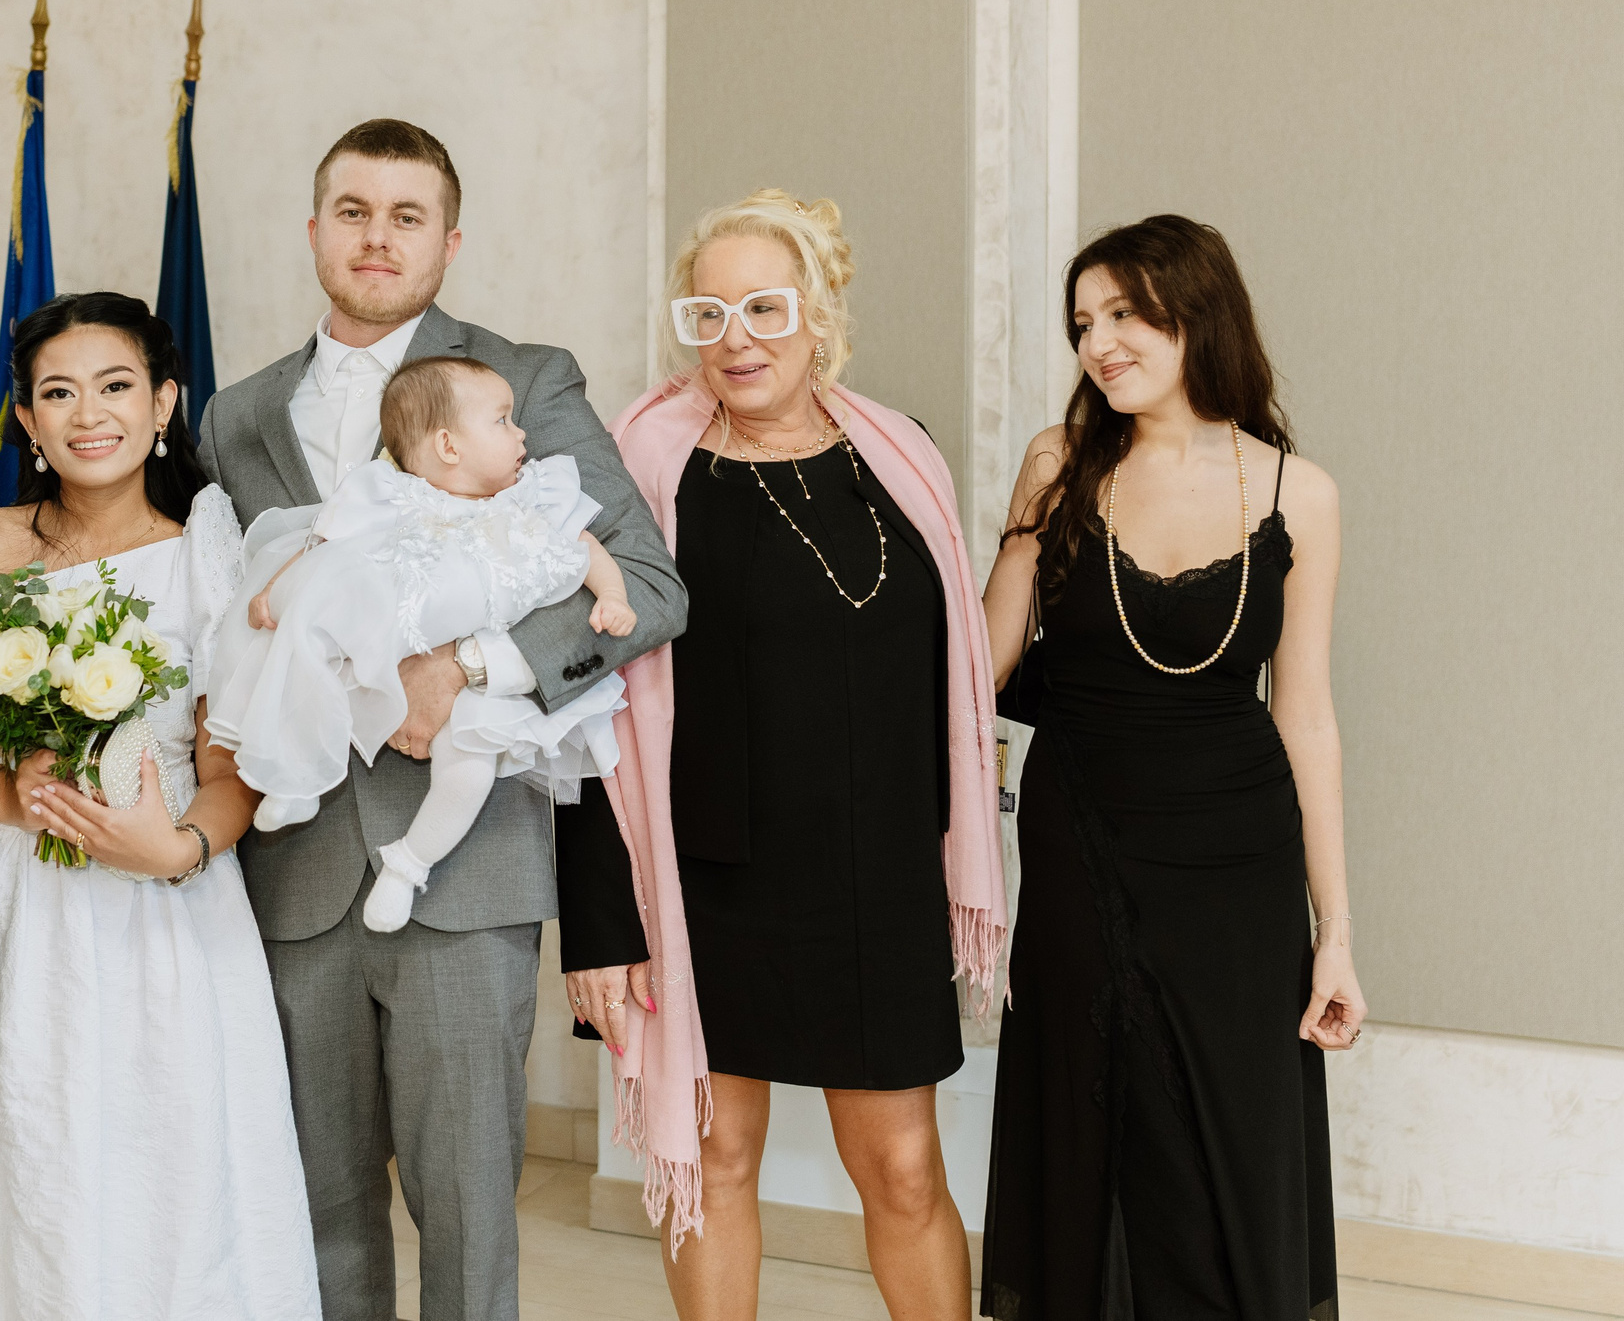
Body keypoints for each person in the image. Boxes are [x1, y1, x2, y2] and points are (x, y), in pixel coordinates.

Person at [194, 118, 686, 1321]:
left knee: (468, 1209)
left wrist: (466, 669)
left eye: (406, 216)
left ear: (448, 241)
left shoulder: (525, 378)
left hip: (466, 865)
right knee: (316, 1207)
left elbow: (646, 587)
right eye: (352, 211)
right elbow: (231, 620)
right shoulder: (234, 415)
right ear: (314, 231)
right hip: (293, 866)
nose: (377, 236)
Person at [566, 189, 1008, 1321]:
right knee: (715, 1165)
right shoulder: (642, 471)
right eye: (705, 314)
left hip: (876, 879)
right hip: (708, 883)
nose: (734, 340)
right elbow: (577, 705)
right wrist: (602, 925)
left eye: (762, 308)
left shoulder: (903, 459)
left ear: (818, 314)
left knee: (904, 1171)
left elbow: (946, 680)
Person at [0, 291, 319, 1321]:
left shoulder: (209, 547)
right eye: (57, 393)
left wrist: (182, 848)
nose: (87, 413)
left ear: (163, 403)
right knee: (9, 1144)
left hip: (164, 912)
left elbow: (233, 759)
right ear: (24, 419)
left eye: (114, 387)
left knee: (163, 1164)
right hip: (7, 903)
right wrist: (7, 800)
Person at [979, 215, 1359, 1321]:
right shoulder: (1059, 463)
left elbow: (1307, 718)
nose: (1098, 343)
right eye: (1083, 323)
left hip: (1237, 857)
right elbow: (983, 664)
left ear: (1197, 312)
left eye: (1124, 315)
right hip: (1082, 829)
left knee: (1226, 1129)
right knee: (1092, 1111)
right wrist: (1015, 531)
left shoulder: (1300, 494)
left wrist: (1333, 932)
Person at [209, 355, 633, 932]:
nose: (521, 432)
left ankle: (408, 866)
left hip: (478, 666)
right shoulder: (390, 493)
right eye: (504, 421)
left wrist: (612, 597)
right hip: (387, 631)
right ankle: (292, 774)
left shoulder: (532, 495)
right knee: (302, 635)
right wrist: (277, 592)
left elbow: (589, 550)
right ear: (449, 447)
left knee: (472, 761)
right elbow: (322, 543)